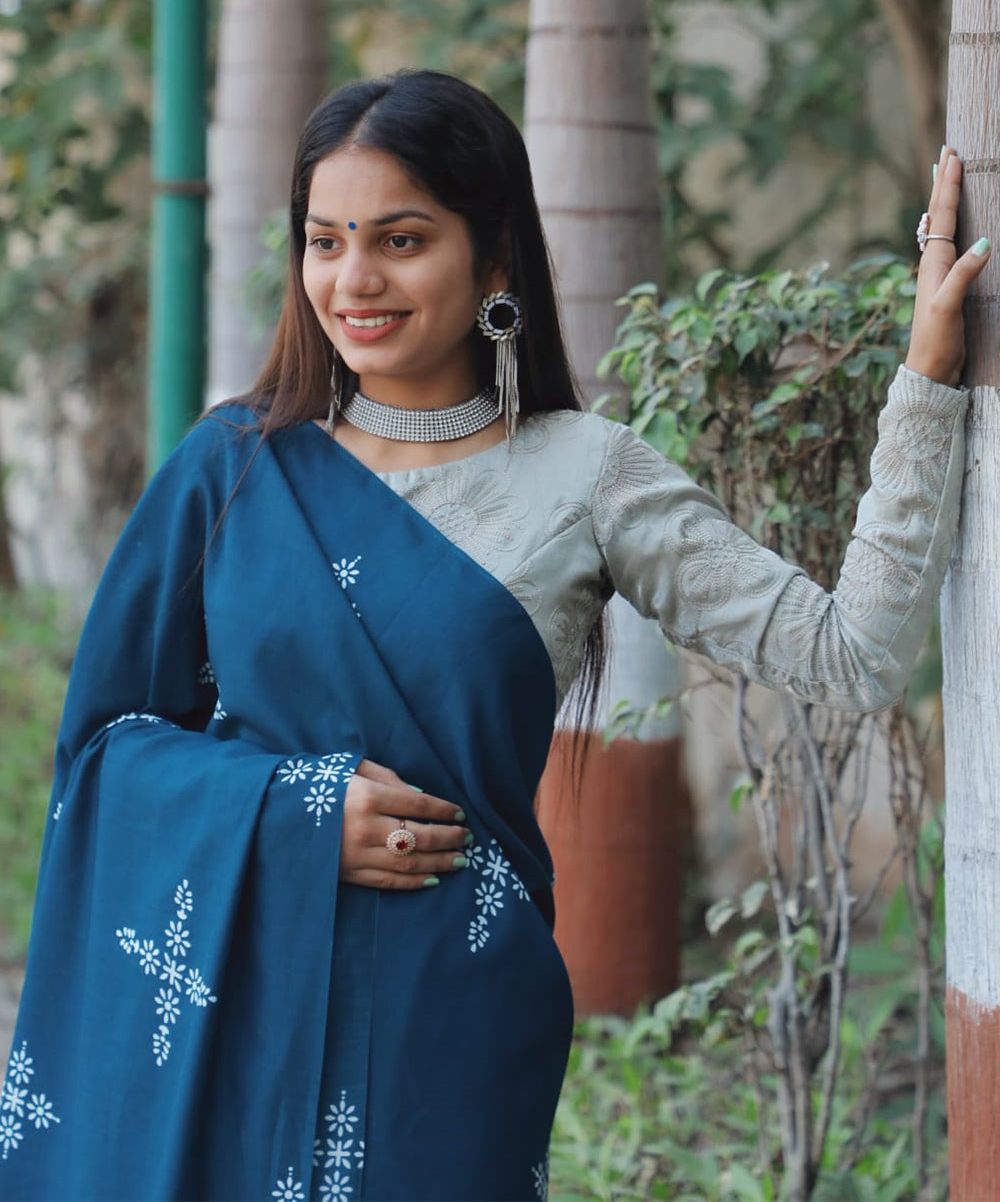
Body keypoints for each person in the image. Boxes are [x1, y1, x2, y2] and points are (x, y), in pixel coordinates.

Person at [0, 69, 987, 1202]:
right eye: (325, 241)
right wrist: (294, 815)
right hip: (237, 1005)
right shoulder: (234, 465)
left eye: (401, 240)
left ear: (496, 257)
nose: (353, 280)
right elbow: (107, 748)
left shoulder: (586, 476)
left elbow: (850, 654)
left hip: (447, 1031)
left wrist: (925, 380)